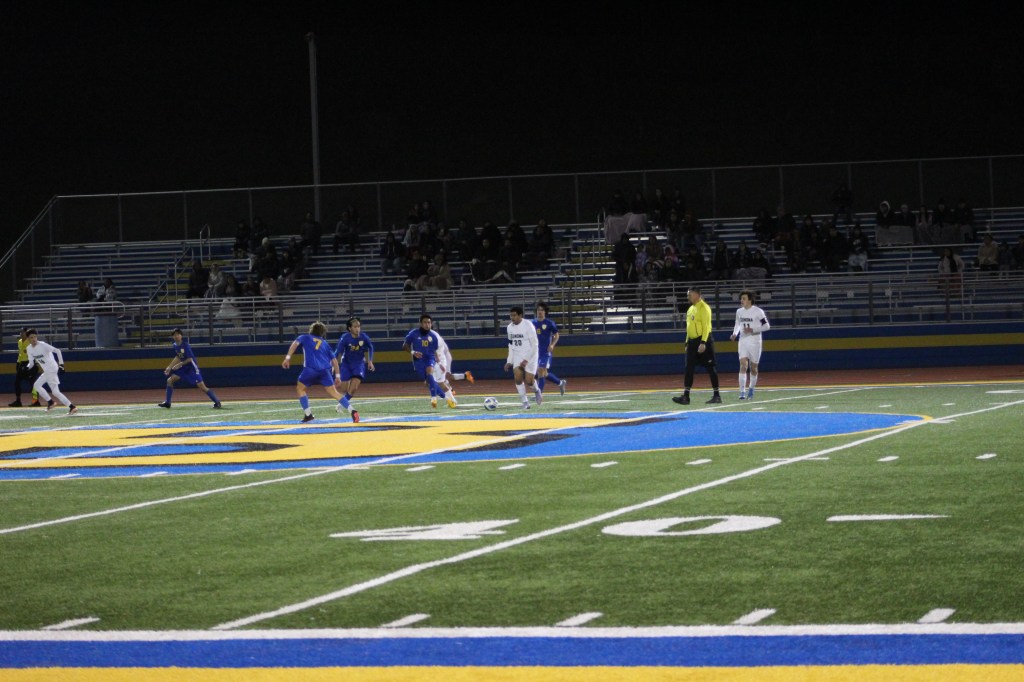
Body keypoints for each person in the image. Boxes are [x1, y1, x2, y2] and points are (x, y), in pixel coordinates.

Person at [282, 321, 348, 423]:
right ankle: (352, 410)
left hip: (311, 369)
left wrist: (287, 358)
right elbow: (334, 361)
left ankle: (308, 414)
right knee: (334, 392)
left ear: (311, 330)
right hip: (325, 370)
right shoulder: (325, 343)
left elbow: (294, 345)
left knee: (300, 388)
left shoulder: (305, 337)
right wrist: (338, 376)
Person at [672, 287, 721, 405]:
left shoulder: (704, 308)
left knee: (710, 368)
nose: (688, 297)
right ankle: (686, 396)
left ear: (697, 294)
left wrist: (703, 343)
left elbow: (706, 327)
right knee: (688, 368)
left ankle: (717, 395)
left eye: (690, 294)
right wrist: (687, 342)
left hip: (703, 340)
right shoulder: (691, 309)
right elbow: (689, 327)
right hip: (692, 342)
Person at [157, 328, 222, 409]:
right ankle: (167, 402)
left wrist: (179, 364)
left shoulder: (185, 345)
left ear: (181, 336)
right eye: (175, 335)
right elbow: (178, 356)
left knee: (202, 386)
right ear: (172, 337)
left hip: (192, 368)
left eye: (178, 334)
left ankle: (217, 402)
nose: (176, 336)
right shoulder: (175, 345)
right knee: (169, 380)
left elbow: (190, 359)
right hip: (184, 367)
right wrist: (169, 367)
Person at [25, 329, 78, 414]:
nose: (34, 339)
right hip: (47, 371)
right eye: (31, 337)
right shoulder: (29, 349)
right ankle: (72, 407)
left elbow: (58, 351)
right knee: (55, 392)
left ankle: (51, 403)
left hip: (52, 369)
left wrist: (61, 365)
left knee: (37, 385)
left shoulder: (43, 345)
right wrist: (27, 368)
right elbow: (31, 363)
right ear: (28, 339)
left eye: (35, 337)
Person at [730, 291, 770, 400]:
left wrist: (753, 330)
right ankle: (742, 391)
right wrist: (734, 334)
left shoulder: (758, 311)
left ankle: (751, 389)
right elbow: (738, 324)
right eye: (741, 298)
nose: (741, 300)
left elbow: (767, 326)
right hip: (743, 340)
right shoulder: (739, 311)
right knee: (743, 365)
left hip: (755, 341)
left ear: (750, 300)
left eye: (744, 298)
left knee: (754, 368)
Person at [333, 316, 374, 423]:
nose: (357, 329)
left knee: (353, 388)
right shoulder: (345, 338)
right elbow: (338, 351)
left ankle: (342, 405)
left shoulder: (364, 337)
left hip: (358, 364)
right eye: (355, 327)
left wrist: (370, 361)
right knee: (343, 389)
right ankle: (343, 403)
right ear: (350, 328)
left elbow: (371, 347)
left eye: (359, 326)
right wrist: (332, 363)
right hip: (346, 364)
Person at [401, 314, 446, 408]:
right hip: (418, 360)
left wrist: (439, 363)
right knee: (429, 381)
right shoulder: (413, 333)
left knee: (430, 374)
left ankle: (433, 398)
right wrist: (413, 352)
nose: (427, 324)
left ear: (431, 324)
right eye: (425, 322)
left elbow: (435, 351)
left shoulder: (433, 336)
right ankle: (445, 397)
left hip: (430, 358)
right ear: (421, 324)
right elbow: (404, 346)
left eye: (429, 322)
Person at [505, 305, 539, 410]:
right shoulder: (509, 328)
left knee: (529, 381)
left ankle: (537, 390)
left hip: (531, 355)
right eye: (511, 316)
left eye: (514, 315)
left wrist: (526, 359)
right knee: (518, 377)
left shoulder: (528, 325)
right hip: (517, 354)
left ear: (520, 315)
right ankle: (525, 402)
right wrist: (509, 361)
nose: (512, 318)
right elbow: (511, 344)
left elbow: (535, 345)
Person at [430, 328, 474, 408]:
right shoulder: (434, 338)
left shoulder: (435, 338)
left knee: (443, 379)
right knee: (444, 378)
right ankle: (464, 376)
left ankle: (451, 397)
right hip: (441, 358)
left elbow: (435, 351)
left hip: (443, 357)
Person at [532, 302, 566, 403]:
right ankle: (560, 383)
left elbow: (556, 335)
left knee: (540, 371)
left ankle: (539, 394)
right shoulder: (532, 323)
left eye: (542, 310)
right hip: (535, 352)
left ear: (545, 312)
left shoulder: (549, 323)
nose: (540, 312)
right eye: (538, 310)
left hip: (545, 352)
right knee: (544, 373)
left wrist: (552, 345)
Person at [9, 327, 41, 407]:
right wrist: (18, 363)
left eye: (23, 332)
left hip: (31, 363)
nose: (21, 333)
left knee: (33, 383)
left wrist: (36, 364)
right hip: (22, 364)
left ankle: (36, 401)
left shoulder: (30, 341)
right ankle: (18, 401)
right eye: (21, 332)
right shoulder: (20, 341)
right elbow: (20, 354)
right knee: (17, 382)